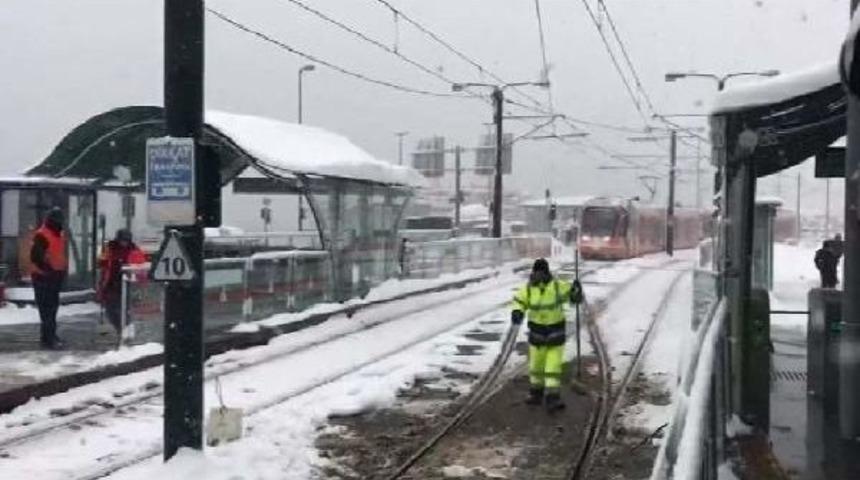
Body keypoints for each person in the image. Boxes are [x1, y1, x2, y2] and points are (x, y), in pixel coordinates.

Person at [511, 258, 583, 412]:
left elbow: (574, 298)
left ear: (546, 272)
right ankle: (536, 393)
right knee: (536, 366)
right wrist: (517, 311)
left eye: (541, 273)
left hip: (555, 334)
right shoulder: (528, 289)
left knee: (553, 366)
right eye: (535, 272)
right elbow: (519, 301)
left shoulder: (558, 286)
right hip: (537, 334)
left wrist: (576, 292)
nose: (537, 275)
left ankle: (552, 397)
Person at [29, 207, 68, 349]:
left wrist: (59, 272)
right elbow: (36, 257)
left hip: (53, 277)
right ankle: (50, 339)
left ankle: (48, 337)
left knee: (51, 309)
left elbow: (56, 254)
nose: (60, 224)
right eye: (58, 221)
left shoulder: (57, 234)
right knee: (48, 309)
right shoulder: (42, 235)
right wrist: (50, 271)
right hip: (43, 277)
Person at [97, 229, 146, 333]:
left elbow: (140, 269)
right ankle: (121, 329)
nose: (124, 243)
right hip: (111, 283)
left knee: (125, 310)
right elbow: (102, 263)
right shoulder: (109, 248)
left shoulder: (134, 251)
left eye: (126, 241)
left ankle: (126, 330)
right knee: (110, 310)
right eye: (122, 240)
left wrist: (138, 284)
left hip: (127, 284)